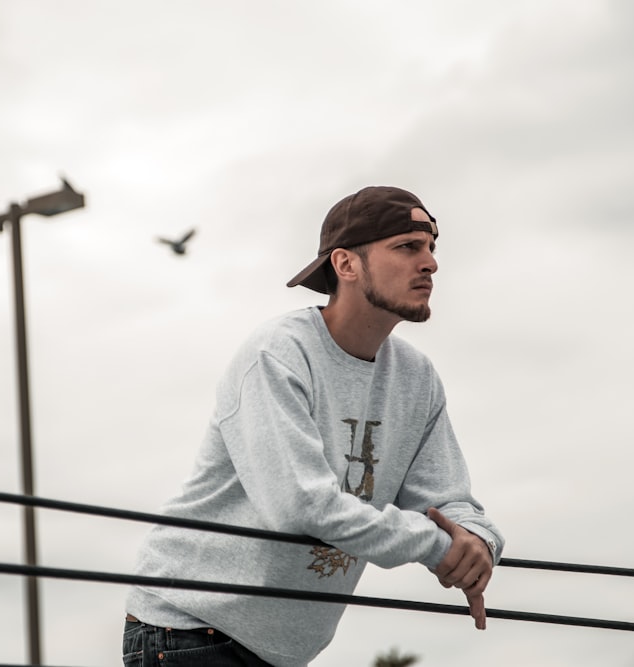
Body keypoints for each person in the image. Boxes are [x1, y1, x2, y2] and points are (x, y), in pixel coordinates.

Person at [122, 186, 505, 667]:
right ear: (346, 265)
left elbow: (448, 501)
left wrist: (477, 543)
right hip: (190, 630)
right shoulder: (279, 354)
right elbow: (301, 506)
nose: (429, 263)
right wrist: (436, 546)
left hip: (282, 651)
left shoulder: (416, 378)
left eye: (431, 248)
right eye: (408, 247)